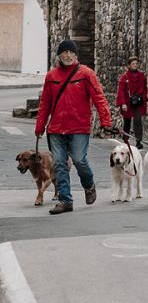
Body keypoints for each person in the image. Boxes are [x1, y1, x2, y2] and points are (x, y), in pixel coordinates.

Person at [34, 40, 115, 215]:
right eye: (64, 52)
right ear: (59, 56)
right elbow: (45, 104)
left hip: (79, 127)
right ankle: (65, 200)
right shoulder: (51, 76)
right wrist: (40, 126)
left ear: (76, 55)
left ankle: (89, 184)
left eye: (71, 52)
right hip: (56, 128)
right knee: (60, 164)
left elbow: (99, 98)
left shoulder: (86, 74)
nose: (68, 55)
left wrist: (106, 122)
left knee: (79, 160)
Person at [116, 56, 148, 149]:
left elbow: (145, 88)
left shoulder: (142, 76)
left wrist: (144, 97)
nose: (135, 65)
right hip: (127, 101)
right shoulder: (124, 77)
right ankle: (126, 140)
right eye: (133, 64)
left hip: (138, 101)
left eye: (136, 63)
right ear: (129, 65)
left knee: (138, 121)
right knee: (127, 121)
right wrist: (123, 103)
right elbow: (121, 91)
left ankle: (138, 141)